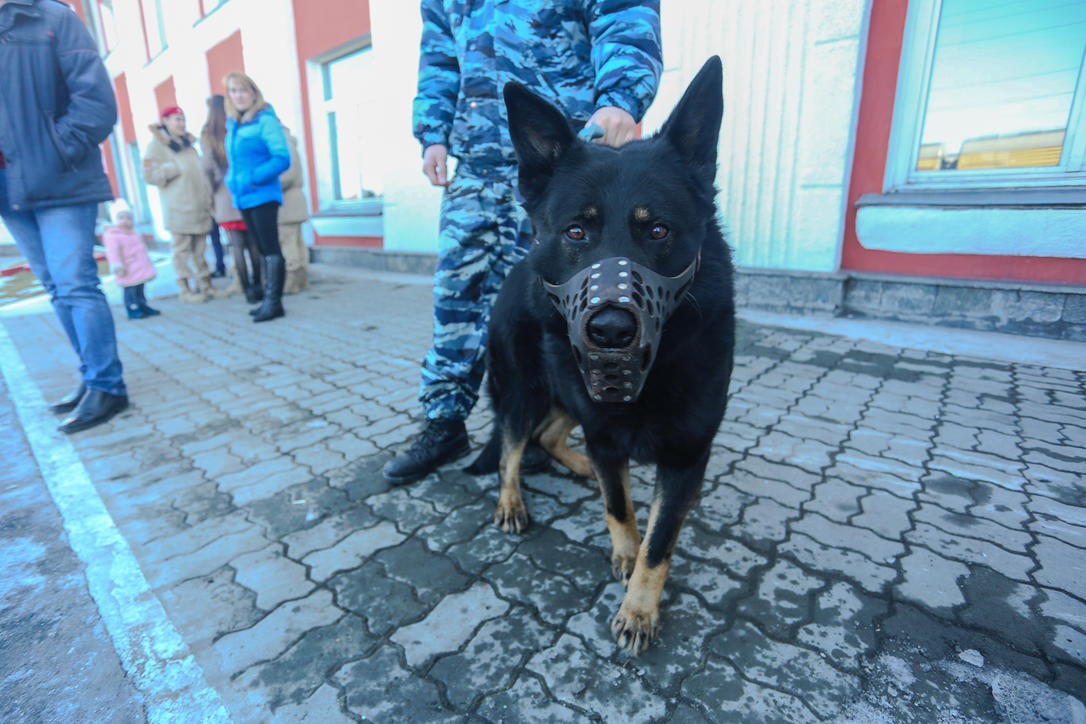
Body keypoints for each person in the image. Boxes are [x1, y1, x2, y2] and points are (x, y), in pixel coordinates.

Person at [381, 0, 663, 483]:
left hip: (560, 161)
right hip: (476, 166)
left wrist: (620, 96)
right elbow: (440, 57)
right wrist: (433, 133)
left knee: (552, 310)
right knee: (456, 303)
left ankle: (544, 428)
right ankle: (445, 422)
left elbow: (623, 12)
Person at [0, 0, 129, 433]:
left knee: (75, 282)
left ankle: (108, 386)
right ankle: (92, 376)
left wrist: (58, 150)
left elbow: (96, 102)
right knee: (56, 286)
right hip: (7, 186)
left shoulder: (50, 17)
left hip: (59, 175)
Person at [223, 72, 291, 322]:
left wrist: (253, 178)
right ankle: (268, 300)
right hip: (244, 197)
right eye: (233, 91)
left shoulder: (265, 121)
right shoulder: (235, 124)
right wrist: (232, 181)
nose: (238, 96)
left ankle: (274, 302)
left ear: (253, 93)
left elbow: (281, 158)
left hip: (262, 194)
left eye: (243, 90)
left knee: (271, 248)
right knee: (262, 249)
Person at [143, 105, 225, 303]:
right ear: (165, 121)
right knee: (181, 251)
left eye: (183, 119)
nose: (181, 124)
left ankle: (206, 285)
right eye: (177, 119)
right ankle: (185, 289)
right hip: (179, 208)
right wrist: (172, 168)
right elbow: (148, 175)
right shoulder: (157, 145)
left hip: (199, 206)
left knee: (200, 250)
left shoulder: (188, 145)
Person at [201, 94, 263, 304]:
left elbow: (206, 169)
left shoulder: (209, 134)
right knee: (253, 244)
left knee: (236, 246)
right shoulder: (236, 127)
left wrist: (212, 194)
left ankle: (247, 290)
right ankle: (258, 286)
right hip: (245, 190)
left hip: (224, 197)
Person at [103, 201, 159, 320]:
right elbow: (113, 253)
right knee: (130, 290)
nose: (125, 221)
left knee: (140, 288)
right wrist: (117, 266)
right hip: (126, 269)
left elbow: (141, 250)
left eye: (129, 218)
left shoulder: (133, 234)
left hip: (139, 268)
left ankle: (142, 305)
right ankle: (132, 308)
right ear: (114, 220)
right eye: (121, 218)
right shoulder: (113, 236)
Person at [278, 126, 309, 295]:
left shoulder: (283, 144)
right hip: (295, 199)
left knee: (288, 241)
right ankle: (302, 278)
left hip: (287, 201)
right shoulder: (290, 142)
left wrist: (269, 184)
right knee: (297, 240)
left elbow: (288, 176)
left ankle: (293, 280)